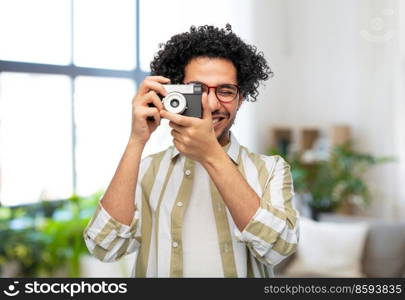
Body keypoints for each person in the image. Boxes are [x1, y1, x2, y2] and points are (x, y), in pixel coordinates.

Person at [83, 24, 299, 278]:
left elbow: (279, 249)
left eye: (226, 91)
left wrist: (210, 154)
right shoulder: (145, 169)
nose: (211, 104)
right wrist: (136, 140)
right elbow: (103, 246)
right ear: (174, 92)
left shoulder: (271, 170)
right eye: (197, 90)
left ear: (242, 98)